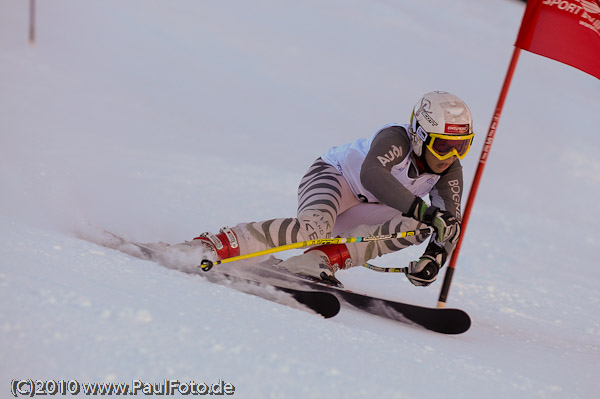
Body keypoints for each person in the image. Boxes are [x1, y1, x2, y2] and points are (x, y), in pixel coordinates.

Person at [194, 91, 474, 287]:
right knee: (312, 230)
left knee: (426, 225)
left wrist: (433, 259)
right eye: (442, 145)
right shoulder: (396, 138)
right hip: (335, 178)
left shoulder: (450, 170)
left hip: (371, 210)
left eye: (461, 147)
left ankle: (317, 261)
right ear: (420, 136)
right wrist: (422, 209)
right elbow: (372, 175)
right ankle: (213, 245)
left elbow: (450, 222)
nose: (450, 156)